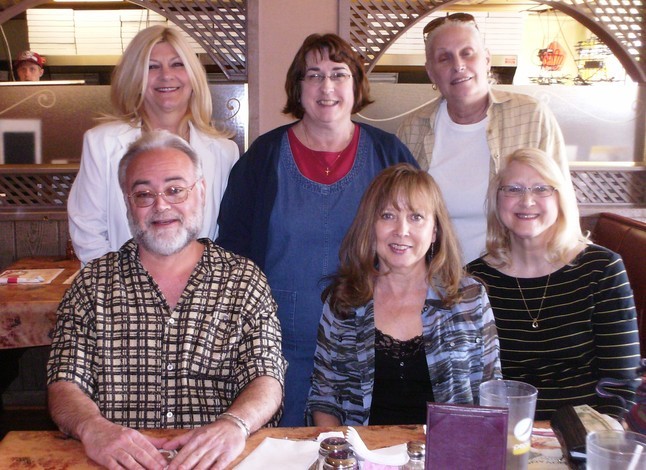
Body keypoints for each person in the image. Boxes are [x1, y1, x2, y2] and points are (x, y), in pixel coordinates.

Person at [47, 131, 286, 470]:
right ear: (128, 203)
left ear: (201, 192)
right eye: (144, 194)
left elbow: (267, 377)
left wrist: (235, 424)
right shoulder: (91, 285)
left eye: (175, 190)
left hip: (220, 462)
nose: (161, 206)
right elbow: (64, 382)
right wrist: (92, 427)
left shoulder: (244, 280)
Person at [216, 33, 418, 426]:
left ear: (356, 85)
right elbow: (233, 251)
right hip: (278, 347)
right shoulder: (263, 157)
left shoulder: (389, 154)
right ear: (298, 86)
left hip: (368, 345)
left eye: (339, 74)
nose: (327, 87)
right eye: (314, 75)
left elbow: (420, 238)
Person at [306, 163, 501, 426]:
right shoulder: (344, 301)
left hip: (450, 448)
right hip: (360, 450)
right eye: (388, 215)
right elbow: (324, 399)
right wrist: (342, 449)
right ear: (370, 226)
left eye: (416, 217)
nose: (401, 230)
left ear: (435, 231)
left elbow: (491, 396)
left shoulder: (470, 299)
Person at [467, 148, 641, 420]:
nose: (527, 200)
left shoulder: (602, 269)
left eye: (541, 189)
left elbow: (621, 382)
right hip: (503, 430)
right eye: (513, 189)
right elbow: (467, 381)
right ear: (497, 200)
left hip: (585, 428)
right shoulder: (474, 279)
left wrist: (597, 434)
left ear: (561, 198)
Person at [397, 13, 571, 264]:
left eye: (467, 53)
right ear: (431, 73)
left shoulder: (531, 115)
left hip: (515, 273)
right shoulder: (413, 128)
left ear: (487, 59)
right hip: (436, 277)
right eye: (444, 58)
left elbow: (562, 202)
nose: (458, 65)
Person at [68, 25, 239, 265]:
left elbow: (227, 235)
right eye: (152, 67)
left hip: (201, 285)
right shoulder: (101, 144)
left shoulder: (224, 152)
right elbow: (87, 230)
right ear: (134, 78)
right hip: (121, 285)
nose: (166, 75)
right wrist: (116, 282)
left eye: (177, 64)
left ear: (193, 76)